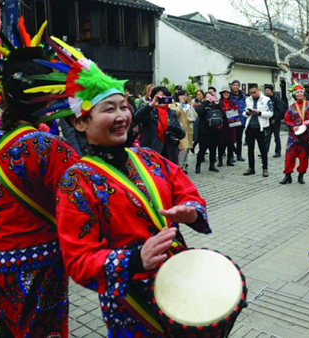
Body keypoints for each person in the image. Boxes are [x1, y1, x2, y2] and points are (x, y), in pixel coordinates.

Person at [46, 39, 211, 337]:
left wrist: (190, 212)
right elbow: (78, 260)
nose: (122, 116)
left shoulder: (149, 158)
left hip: (178, 279)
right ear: (81, 122)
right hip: (130, 300)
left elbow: (188, 193)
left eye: (124, 105)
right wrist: (137, 259)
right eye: (109, 109)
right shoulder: (76, 182)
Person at [0, 25, 80, 337]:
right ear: (46, 100)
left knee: (10, 326)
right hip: (36, 259)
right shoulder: (48, 147)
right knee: (41, 327)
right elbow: (80, 204)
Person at [280, 81, 309, 185]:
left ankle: (301, 175)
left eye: (301, 92)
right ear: (294, 94)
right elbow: (287, 118)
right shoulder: (292, 107)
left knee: (304, 157)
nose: (299, 94)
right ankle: (287, 175)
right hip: (293, 136)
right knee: (289, 156)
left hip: (306, 136)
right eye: (297, 92)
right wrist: (293, 127)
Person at [134, 86, 186, 164]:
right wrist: (151, 104)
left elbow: (182, 134)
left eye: (165, 97)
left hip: (170, 153)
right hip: (152, 153)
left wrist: (177, 131)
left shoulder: (171, 113)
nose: (162, 99)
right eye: (160, 97)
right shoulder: (149, 111)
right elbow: (136, 117)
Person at [242, 84, 273, 177]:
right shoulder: (248, 100)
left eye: (254, 92)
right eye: (251, 93)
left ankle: (265, 168)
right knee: (250, 149)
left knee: (263, 149)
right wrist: (247, 113)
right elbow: (243, 113)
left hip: (261, 128)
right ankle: (251, 168)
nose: (253, 94)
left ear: (259, 90)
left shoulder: (266, 99)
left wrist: (260, 113)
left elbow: (271, 113)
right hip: (250, 127)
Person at [170, 90, 196, 174]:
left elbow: (194, 116)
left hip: (189, 130)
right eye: (182, 95)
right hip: (180, 131)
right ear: (178, 96)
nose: (184, 97)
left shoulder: (188, 106)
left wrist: (191, 107)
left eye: (186, 95)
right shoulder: (175, 105)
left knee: (187, 149)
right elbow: (174, 114)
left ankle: (184, 166)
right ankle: (179, 167)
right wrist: (180, 106)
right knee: (183, 149)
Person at [195, 92, 222, 173]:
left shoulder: (215, 106)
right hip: (204, 132)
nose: (210, 99)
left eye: (211, 97)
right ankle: (198, 165)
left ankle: (212, 165)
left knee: (213, 150)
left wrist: (217, 104)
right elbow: (200, 112)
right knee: (202, 150)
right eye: (208, 97)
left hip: (214, 131)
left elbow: (222, 114)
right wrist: (206, 102)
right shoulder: (202, 105)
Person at [217, 86, 238, 168]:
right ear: (222, 94)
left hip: (231, 125)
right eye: (224, 92)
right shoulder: (218, 102)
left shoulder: (233, 102)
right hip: (221, 125)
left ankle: (229, 160)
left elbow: (237, 112)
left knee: (230, 144)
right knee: (221, 144)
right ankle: (220, 160)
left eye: (227, 93)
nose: (226, 94)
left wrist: (234, 109)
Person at [264, 84, 285, 158]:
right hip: (268, 120)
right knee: (267, 136)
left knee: (276, 137)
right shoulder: (265, 99)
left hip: (275, 121)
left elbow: (281, 110)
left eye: (268, 90)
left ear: (271, 91)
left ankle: (278, 151)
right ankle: (265, 151)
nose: (266, 92)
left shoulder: (276, 98)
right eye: (265, 90)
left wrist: (276, 119)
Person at [230, 80, 247, 162]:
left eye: (236, 85)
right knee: (231, 139)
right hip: (232, 119)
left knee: (239, 139)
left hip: (241, 119)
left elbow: (246, 107)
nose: (235, 87)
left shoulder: (243, 96)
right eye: (233, 85)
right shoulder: (229, 96)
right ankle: (231, 155)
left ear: (239, 86)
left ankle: (239, 155)